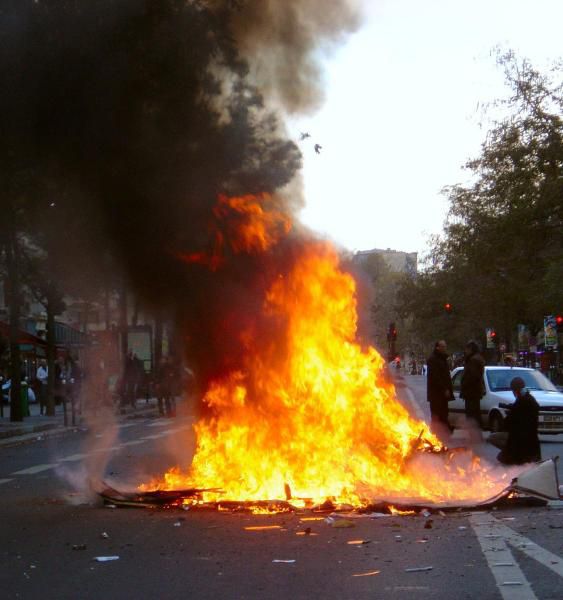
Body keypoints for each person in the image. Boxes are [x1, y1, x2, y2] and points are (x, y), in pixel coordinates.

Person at [493, 377, 541, 465]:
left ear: (515, 390)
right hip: (533, 442)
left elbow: (508, 423)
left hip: (519, 443)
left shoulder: (520, 402)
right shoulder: (530, 400)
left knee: (493, 437)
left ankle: (511, 456)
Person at [426, 340, 454, 439]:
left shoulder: (442, 359)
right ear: (437, 347)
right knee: (437, 415)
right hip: (436, 394)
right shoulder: (433, 360)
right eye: (442, 346)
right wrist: (444, 389)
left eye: (445, 346)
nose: (444, 348)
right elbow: (436, 377)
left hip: (441, 394)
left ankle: (444, 434)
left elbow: (445, 376)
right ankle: (439, 435)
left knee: (443, 414)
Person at [460, 340, 485, 431]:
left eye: (466, 349)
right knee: (475, 413)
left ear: (470, 349)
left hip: (471, 392)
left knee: (472, 414)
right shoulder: (476, 358)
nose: (465, 351)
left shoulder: (473, 360)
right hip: (474, 391)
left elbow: (472, 376)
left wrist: (465, 385)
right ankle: (475, 435)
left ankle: (474, 435)